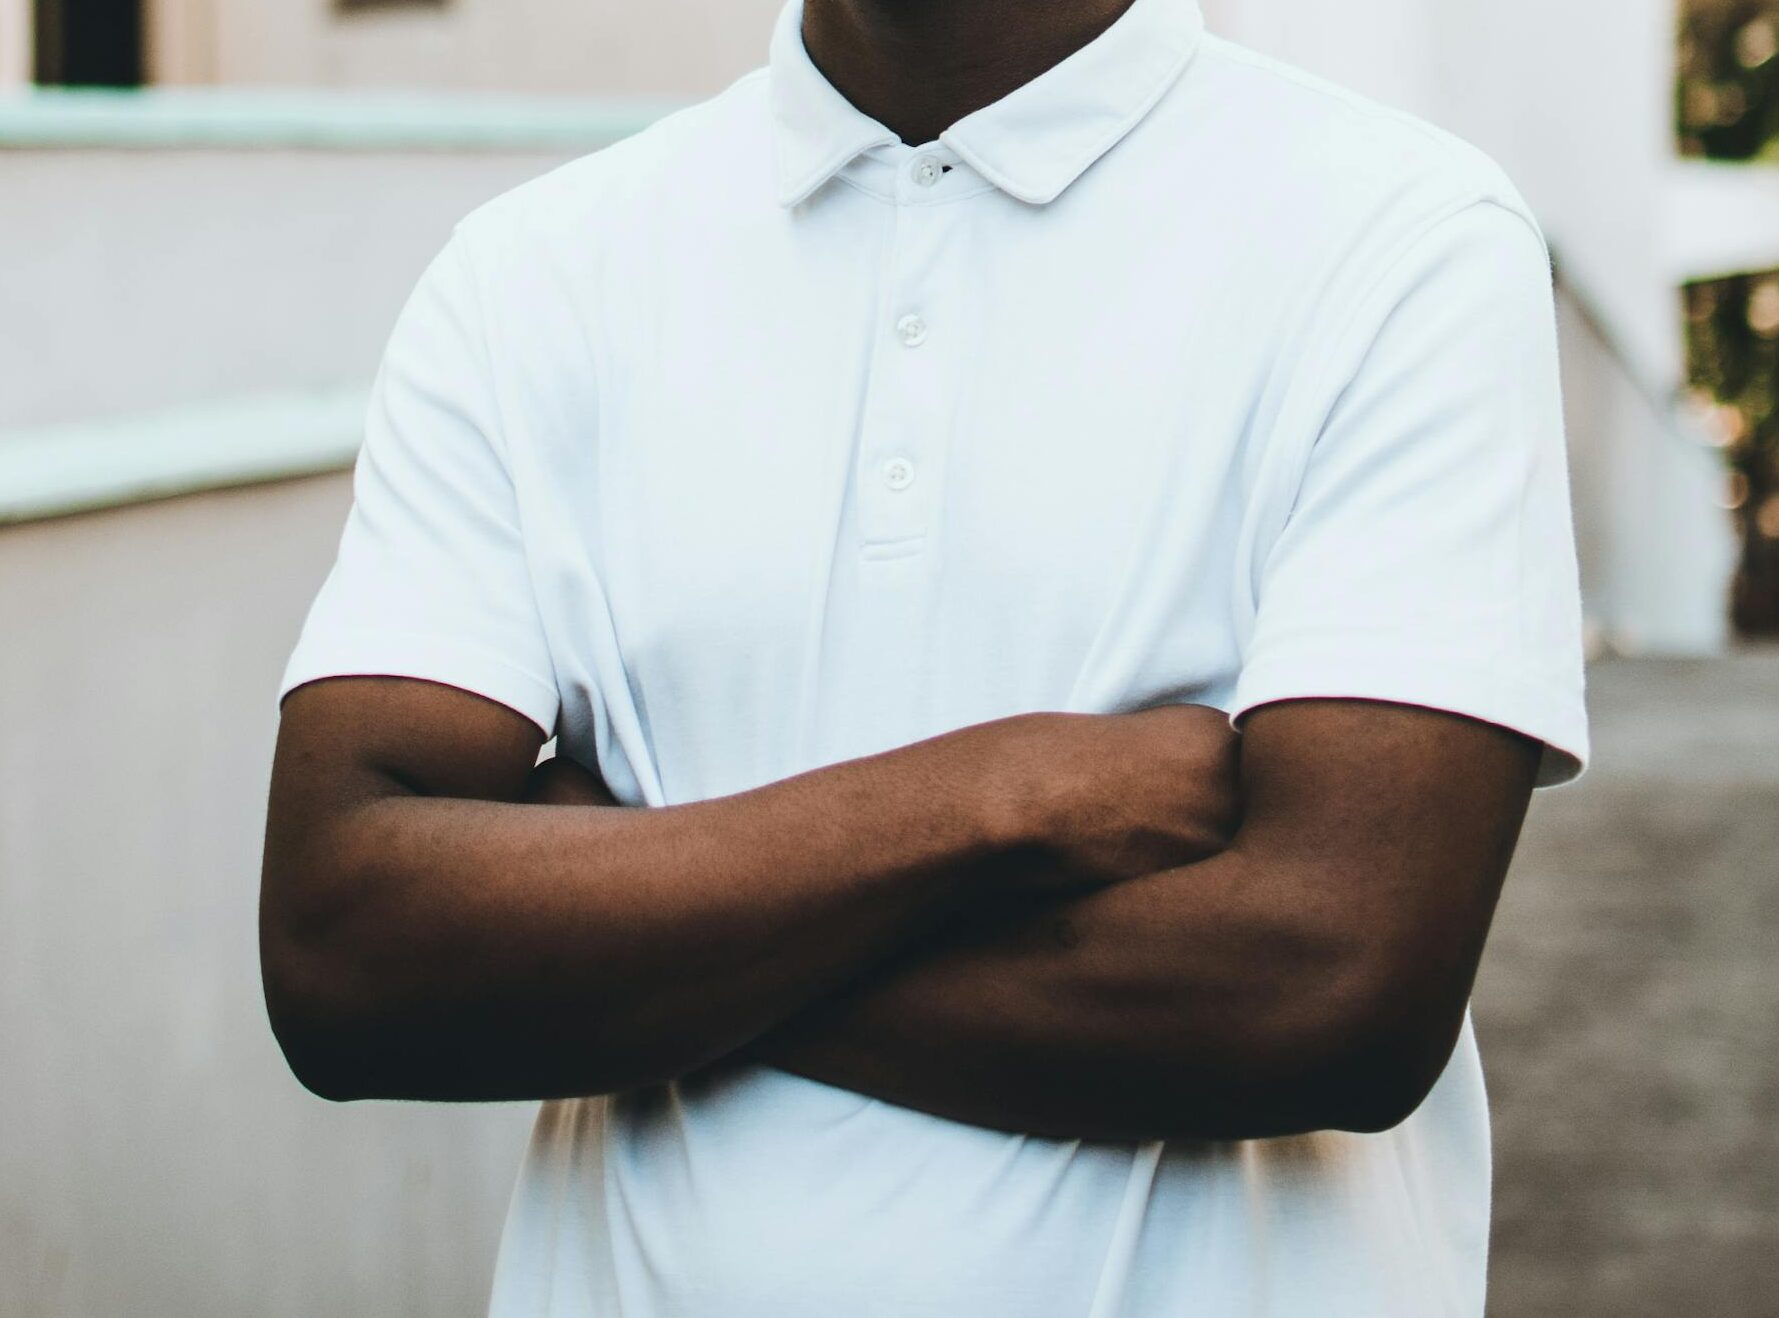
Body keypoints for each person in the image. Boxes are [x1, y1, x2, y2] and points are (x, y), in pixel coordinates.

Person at [259, 0, 1591, 1313]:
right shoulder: (531, 274)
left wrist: (633, 909)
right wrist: (1001, 799)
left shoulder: (1402, 239)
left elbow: (1333, 989)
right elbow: (345, 953)